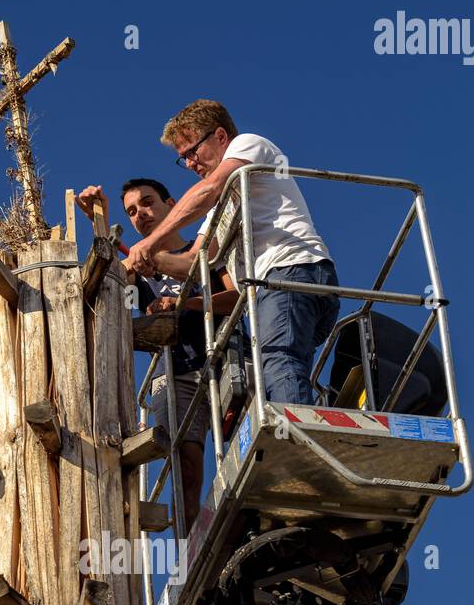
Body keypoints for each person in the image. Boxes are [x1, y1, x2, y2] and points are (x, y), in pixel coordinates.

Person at [125, 100, 340, 407]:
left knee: (279, 363)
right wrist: (152, 259)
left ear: (220, 136)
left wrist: (151, 242)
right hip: (273, 292)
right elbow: (192, 263)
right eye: (181, 158)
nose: (188, 163)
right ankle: (295, 431)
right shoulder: (219, 210)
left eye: (191, 151)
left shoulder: (248, 145)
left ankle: (292, 447)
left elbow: (209, 188)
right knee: (278, 366)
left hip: (289, 271)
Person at [76, 178, 237, 528]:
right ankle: (191, 549)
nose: (141, 215)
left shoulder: (202, 249)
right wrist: (99, 221)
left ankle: (247, 523)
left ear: (171, 203)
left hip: (222, 357)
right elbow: (117, 299)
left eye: (147, 203)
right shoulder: (134, 268)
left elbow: (235, 297)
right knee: (186, 466)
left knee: (242, 445)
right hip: (173, 371)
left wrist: (184, 304)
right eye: (131, 211)